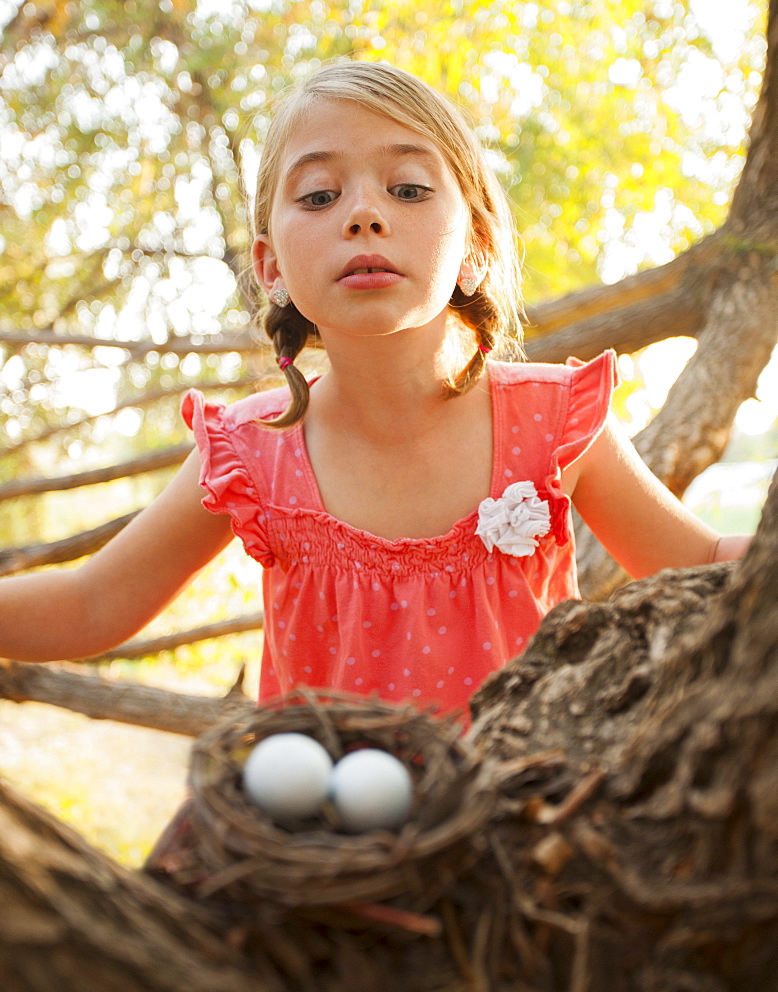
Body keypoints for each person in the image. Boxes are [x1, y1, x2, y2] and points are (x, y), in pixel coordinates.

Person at [0, 62, 750, 716]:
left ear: (476, 250)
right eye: (320, 196)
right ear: (270, 267)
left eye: (409, 188)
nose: (364, 213)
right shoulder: (252, 453)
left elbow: (708, 560)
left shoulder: (554, 423)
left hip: (522, 846)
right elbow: (91, 604)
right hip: (321, 856)